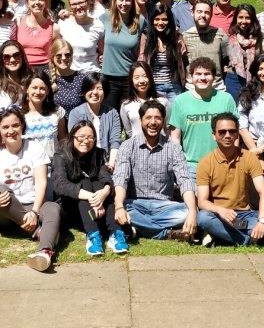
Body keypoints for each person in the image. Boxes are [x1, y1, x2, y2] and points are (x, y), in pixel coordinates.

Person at [0, 107, 64, 271]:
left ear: (22, 127)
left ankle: (44, 251)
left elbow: (41, 182)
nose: (11, 131)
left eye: (15, 126)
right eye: (5, 127)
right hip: (8, 210)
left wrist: (34, 211)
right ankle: (42, 231)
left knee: (53, 207)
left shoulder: (34, 148)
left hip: (34, 206)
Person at [113, 100, 198, 241]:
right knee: (116, 209)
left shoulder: (173, 148)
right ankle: (167, 233)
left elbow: (184, 180)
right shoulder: (127, 146)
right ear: (140, 120)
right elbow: (121, 179)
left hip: (164, 206)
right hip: (135, 204)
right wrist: (119, 206)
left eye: (157, 118)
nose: (153, 122)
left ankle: (139, 228)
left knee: (191, 212)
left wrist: (192, 212)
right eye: (148, 118)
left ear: (164, 121)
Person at [196, 112, 264, 247]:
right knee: (203, 218)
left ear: (236, 135)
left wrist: (261, 221)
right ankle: (249, 239)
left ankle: (223, 237)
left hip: (244, 217)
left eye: (232, 131)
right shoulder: (205, 162)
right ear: (214, 135)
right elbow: (202, 201)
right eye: (222, 132)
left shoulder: (249, 157)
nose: (227, 135)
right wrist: (221, 210)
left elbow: (263, 192)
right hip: (219, 216)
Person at [53, 121, 128, 257]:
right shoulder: (61, 155)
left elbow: (105, 175)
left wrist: (104, 192)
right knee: (85, 183)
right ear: (72, 137)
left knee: (98, 183)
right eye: (81, 137)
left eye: (90, 137)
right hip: (72, 209)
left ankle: (115, 232)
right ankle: (93, 235)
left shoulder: (98, 154)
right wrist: (91, 196)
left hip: (97, 210)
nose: (86, 141)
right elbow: (60, 185)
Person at [169, 57, 238, 178]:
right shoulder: (180, 101)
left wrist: (234, 159)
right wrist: (179, 164)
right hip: (191, 167)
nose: (202, 78)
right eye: (198, 74)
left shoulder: (226, 99)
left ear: (214, 77)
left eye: (207, 74)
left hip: (223, 164)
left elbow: (235, 134)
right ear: (191, 76)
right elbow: (175, 138)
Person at [66, 71, 123, 169]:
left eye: (99, 89)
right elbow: (75, 143)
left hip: (107, 164)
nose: (95, 92)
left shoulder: (112, 113)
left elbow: (115, 142)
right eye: (91, 88)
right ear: (84, 91)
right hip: (83, 164)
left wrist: (111, 165)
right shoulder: (75, 113)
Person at [100, 0, 144, 112]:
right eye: (121, 0)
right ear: (115, 1)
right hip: (109, 78)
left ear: (132, 1)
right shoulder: (105, 18)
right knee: (110, 115)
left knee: (129, 115)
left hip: (129, 79)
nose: (124, 4)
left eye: (127, 0)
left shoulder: (140, 21)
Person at [139, 3, 187, 102]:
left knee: (175, 116)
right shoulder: (146, 37)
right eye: (157, 19)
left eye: (164, 19)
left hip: (174, 87)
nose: (160, 23)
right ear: (152, 20)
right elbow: (141, 59)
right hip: (154, 87)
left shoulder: (176, 37)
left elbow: (183, 60)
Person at [181, 0, 229, 90]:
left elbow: (228, 58)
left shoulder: (220, 34)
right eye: (199, 11)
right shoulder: (185, 37)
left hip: (216, 87)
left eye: (207, 12)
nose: (203, 15)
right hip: (192, 88)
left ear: (211, 15)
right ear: (192, 12)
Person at [11, 0, 59, 75]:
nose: (37, 2)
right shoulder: (18, 22)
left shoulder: (54, 27)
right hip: (22, 69)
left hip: (45, 71)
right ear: (27, 2)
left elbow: (56, 52)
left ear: (45, 2)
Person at [60, 0, 105, 73]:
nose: (78, 6)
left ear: (88, 3)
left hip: (91, 74)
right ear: (70, 6)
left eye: (81, 2)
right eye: (74, 4)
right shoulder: (63, 23)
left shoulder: (98, 25)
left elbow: (102, 52)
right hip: (69, 74)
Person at [120, 61, 168, 140]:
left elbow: (168, 128)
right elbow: (129, 132)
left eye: (145, 76)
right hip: (137, 149)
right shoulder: (126, 105)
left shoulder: (163, 101)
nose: (141, 81)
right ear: (131, 81)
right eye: (137, 77)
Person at [21, 73, 65, 161]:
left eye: (42, 88)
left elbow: (62, 140)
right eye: (34, 88)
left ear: (48, 91)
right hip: (29, 165)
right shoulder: (19, 115)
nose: (38, 92)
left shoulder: (57, 111)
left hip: (54, 164)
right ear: (27, 89)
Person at [224, 4, 261, 102]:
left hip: (254, 79)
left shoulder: (260, 38)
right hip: (234, 78)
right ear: (236, 18)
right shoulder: (229, 38)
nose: (244, 21)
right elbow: (223, 57)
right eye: (240, 17)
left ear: (253, 19)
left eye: (248, 18)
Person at [0, 40, 34, 113]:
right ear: (1, 60)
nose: (12, 60)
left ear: (22, 56)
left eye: (16, 55)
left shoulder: (33, 78)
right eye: (6, 57)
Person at [49, 38, 86, 116]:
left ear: (72, 56)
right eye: (59, 55)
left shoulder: (81, 78)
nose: (63, 58)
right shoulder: (46, 78)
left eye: (67, 55)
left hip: (76, 124)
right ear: (52, 57)